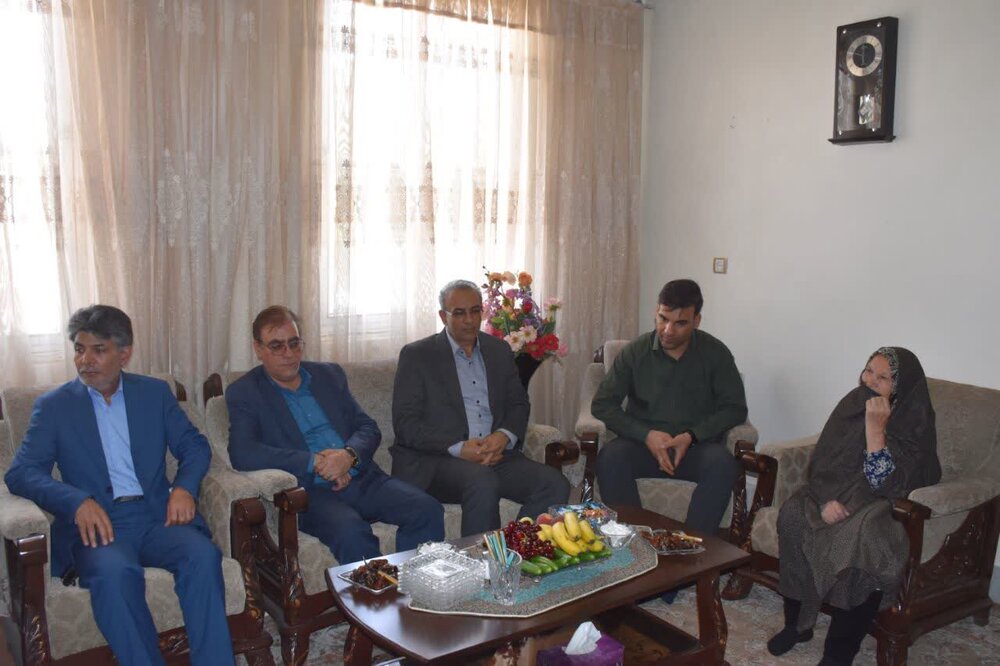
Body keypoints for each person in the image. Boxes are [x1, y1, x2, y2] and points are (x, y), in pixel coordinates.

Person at [4, 305, 233, 666]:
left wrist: (184, 488)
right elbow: (21, 473)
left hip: (157, 516)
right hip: (100, 526)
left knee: (202, 556)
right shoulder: (54, 407)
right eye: (79, 349)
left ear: (124, 353)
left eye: (98, 350)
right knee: (114, 574)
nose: (85, 360)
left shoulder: (154, 394)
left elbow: (194, 445)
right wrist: (76, 501)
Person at [226, 306, 444, 564]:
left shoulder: (328, 375)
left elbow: (367, 427)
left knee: (426, 509)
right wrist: (316, 462)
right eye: (277, 346)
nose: (289, 353)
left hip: (362, 478)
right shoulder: (245, 392)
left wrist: (348, 456)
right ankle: (376, 591)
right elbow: (243, 453)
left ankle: (416, 586)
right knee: (352, 533)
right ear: (258, 348)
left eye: (294, 343)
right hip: (311, 493)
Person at [768, 347, 940, 666]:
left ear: (901, 386)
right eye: (868, 370)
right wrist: (824, 499)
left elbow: (889, 485)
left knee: (862, 540)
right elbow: (823, 459)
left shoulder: (913, 421)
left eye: (883, 377)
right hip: (833, 493)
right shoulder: (853, 401)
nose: (870, 381)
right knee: (793, 514)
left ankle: (839, 653)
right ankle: (797, 624)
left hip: (883, 504)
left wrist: (875, 430)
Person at [391, 279, 570, 536]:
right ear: (443, 316)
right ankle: (481, 559)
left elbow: (518, 403)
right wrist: (459, 448)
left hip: (496, 455)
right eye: (459, 313)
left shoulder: (498, 350)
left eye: (475, 311)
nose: (469, 320)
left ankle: (517, 549)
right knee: (482, 480)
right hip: (439, 461)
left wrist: (503, 436)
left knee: (554, 484)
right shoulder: (418, 355)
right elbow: (405, 424)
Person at [592, 279, 748, 536]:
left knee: (723, 464)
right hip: (643, 447)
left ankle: (693, 545)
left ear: (696, 321)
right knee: (611, 457)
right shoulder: (635, 353)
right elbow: (603, 404)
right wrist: (646, 435)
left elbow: (735, 408)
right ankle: (634, 542)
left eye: (680, 323)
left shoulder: (716, 353)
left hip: (695, 449)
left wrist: (692, 436)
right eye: (663, 318)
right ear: (656, 311)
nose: (667, 330)